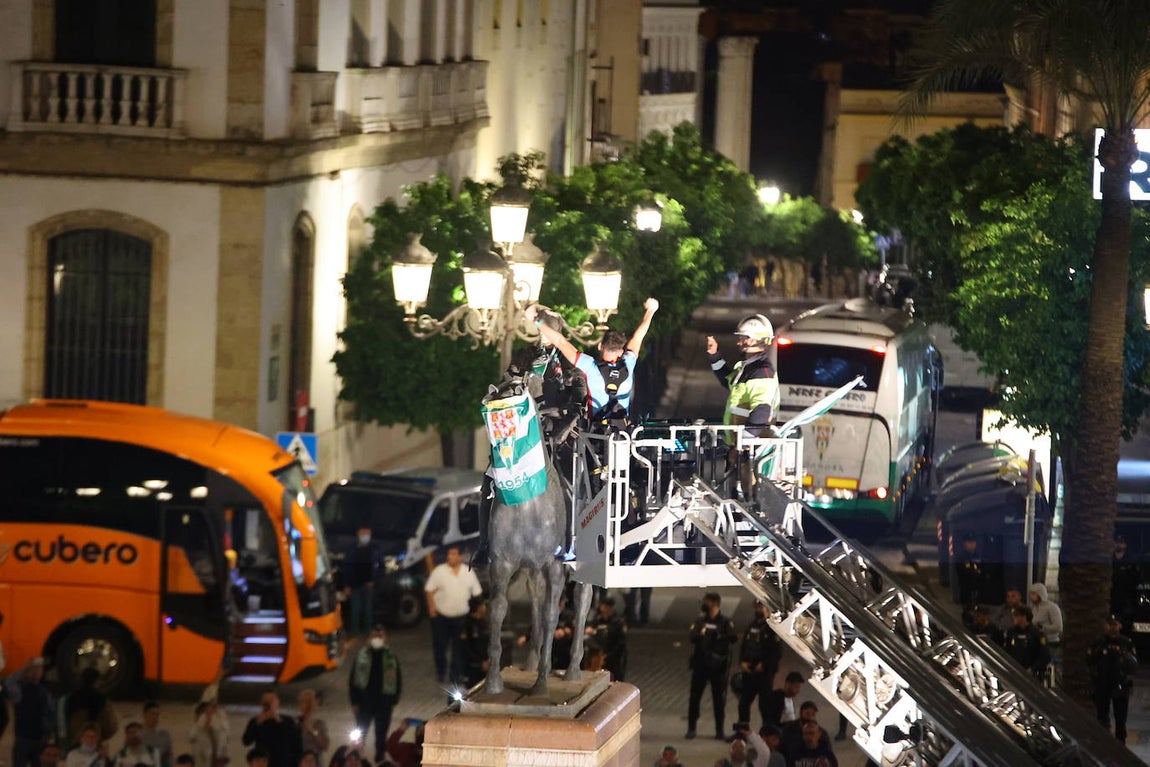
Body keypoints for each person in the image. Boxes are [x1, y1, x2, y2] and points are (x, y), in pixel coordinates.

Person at [527, 297, 660, 430]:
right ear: (620, 351)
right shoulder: (628, 365)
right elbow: (638, 337)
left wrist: (535, 319)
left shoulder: (590, 367)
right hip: (621, 436)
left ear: (600, 346)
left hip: (595, 436)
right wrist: (651, 311)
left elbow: (560, 342)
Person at [704, 315, 780, 496]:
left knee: (748, 498)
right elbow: (728, 381)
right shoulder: (749, 368)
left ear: (754, 339)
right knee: (736, 495)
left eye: (743, 338)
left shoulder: (762, 372)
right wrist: (715, 356)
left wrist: (740, 445)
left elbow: (762, 412)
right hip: (743, 448)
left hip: (750, 450)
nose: (739, 343)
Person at [424, 546, 483, 684]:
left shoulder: (468, 572)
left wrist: (480, 611)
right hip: (441, 618)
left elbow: (477, 593)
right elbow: (429, 590)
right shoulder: (439, 571)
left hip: (462, 619)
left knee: (459, 648)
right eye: (449, 554)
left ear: (460, 557)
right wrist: (432, 610)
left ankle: (455, 675)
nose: (450, 557)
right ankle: (441, 671)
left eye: (454, 554)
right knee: (440, 647)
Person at [685, 593, 738, 740]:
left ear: (715, 604)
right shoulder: (700, 620)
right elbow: (692, 637)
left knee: (718, 700)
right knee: (695, 697)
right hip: (700, 664)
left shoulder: (725, 622)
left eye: (707, 602)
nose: (704, 604)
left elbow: (733, 638)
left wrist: (720, 636)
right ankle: (691, 728)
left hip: (718, 666)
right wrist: (701, 635)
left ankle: (719, 730)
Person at [347, 625, 402, 765]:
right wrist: (354, 701)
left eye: (380, 636)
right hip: (364, 703)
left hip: (384, 704)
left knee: (381, 735)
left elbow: (398, 680)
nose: (377, 639)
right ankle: (357, 758)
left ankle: (380, 759)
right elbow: (353, 680)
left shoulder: (391, 657)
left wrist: (393, 700)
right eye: (374, 636)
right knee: (360, 733)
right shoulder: (362, 656)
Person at [1087, 614, 1138, 743]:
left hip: (1120, 684)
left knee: (1120, 718)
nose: (1112, 627)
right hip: (1102, 683)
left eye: (1114, 624)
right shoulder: (1099, 642)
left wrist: (1127, 678)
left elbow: (1132, 665)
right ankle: (1104, 742)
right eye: (1109, 624)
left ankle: (1120, 743)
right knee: (1102, 717)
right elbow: (1089, 660)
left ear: (1119, 626)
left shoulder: (1126, 643)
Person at [737, 601, 783, 729]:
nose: (758, 610)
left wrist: (764, 664)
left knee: (764, 704)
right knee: (744, 703)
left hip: (764, 673)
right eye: (757, 607)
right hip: (749, 672)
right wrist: (742, 662)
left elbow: (776, 652)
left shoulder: (772, 628)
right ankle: (742, 731)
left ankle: (767, 731)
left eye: (761, 607)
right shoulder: (751, 626)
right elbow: (744, 646)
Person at [9, 657, 56, 767]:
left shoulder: (45, 692)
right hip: (23, 738)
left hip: (40, 738)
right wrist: (24, 669)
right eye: (33, 670)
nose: (36, 672)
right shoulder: (19, 690)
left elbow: (50, 712)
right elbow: (9, 682)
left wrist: (49, 731)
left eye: (39, 670)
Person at [342, 527, 384, 637]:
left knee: (368, 609)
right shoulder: (351, 549)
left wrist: (374, 581)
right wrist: (346, 585)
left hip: (369, 584)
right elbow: (346, 568)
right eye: (363, 534)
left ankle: (367, 631)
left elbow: (381, 567)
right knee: (355, 609)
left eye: (368, 534)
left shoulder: (375, 549)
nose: (366, 537)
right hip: (354, 584)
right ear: (358, 535)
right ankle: (354, 632)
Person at [241, 692, 300, 767]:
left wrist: (278, 720)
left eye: (271, 701)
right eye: (265, 702)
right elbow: (246, 741)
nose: (268, 704)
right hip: (263, 762)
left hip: (283, 762)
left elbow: (294, 741)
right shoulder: (255, 721)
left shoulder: (287, 720)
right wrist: (257, 724)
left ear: (277, 703)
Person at [64, 668, 116, 746]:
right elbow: (110, 726)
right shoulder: (102, 700)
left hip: (76, 742)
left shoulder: (72, 698)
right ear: (97, 681)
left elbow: (66, 722)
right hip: (95, 740)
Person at [585, 596, 628, 681]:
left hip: (614, 652)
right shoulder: (598, 619)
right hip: (600, 651)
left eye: (606, 607)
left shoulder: (618, 621)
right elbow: (590, 628)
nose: (604, 609)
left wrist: (596, 631)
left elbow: (620, 640)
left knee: (615, 676)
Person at [1003, 605, 1050, 680]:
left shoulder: (1037, 633)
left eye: (1016, 616)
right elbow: (1007, 650)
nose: (1013, 618)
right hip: (1014, 671)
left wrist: (1033, 668)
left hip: (1032, 673)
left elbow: (1045, 655)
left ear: (1024, 617)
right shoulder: (1011, 632)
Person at [1028, 583, 1063, 667]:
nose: (1031, 597)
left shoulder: (1052, 607)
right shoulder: (1035, 608)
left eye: (1033, 594)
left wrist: (1042, 628)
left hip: (1051, 644)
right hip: (1037, 643)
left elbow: (1058, 627)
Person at [188, 697, 229, 767]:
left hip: (216, 755)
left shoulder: (220, 721)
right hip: (202, 755)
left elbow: (224, 738)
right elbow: (193, 736)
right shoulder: (198, 725)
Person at [460, 596, 490, 688]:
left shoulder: (483, 622)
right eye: (483, 606)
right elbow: (466, 647)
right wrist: (480, 661)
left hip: (485, 662)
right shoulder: (466, 624)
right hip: (472, 665)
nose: (485, 608)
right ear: (478, 608)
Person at [1111, 537, 1140, 629]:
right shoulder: (1109, 558)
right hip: (1110, 598)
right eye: (1117, 542)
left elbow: (1135, 580)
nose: (1119, 545)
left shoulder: (1131, 560)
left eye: (1121, 542)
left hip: (1126, 601)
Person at [296, 690, 329, 765]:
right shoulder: (296, 724)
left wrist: (313, 731)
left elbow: (325, 745)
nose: (307, 705)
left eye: (309, 701)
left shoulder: (319, 724)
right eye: (303, 701)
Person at [954, 534, 983, 616]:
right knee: (967, 604)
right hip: (966, 584)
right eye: (969, 543)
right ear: (965, 544)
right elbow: (964, 570)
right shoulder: (962, 556)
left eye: (973, 543)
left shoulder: (977, 555)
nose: (972, 545)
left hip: (976, 583)